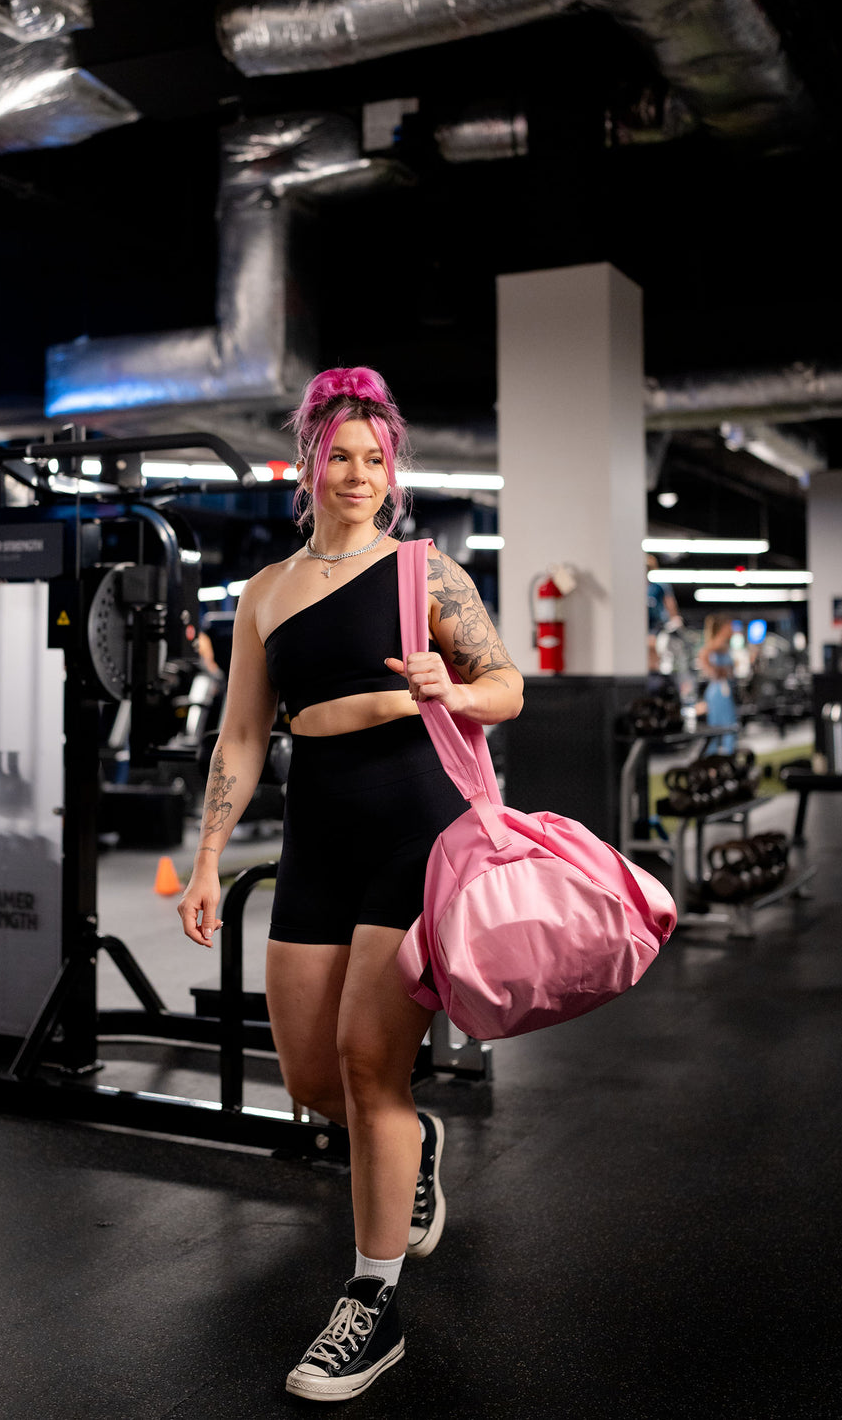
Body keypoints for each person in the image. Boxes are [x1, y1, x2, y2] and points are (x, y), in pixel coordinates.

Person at [177, 366, 524, 1401]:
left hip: (412, 825)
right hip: (316, 833)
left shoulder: (428, 572)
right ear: (310, 462)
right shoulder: (267, 591)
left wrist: (451, 686)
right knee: (310, 1080)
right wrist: (204, 857)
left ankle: (370, 1302)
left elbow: (505, 687)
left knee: (369, 1069)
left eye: (377, 459)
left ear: (392, 469)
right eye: (342, 456)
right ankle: (414, 1142)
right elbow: (242, 733)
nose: (360, 475)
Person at [698, 612, 737, 753]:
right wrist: (713, 670)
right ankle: (722, 761)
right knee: (726, 728)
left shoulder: (723, 644)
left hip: (721, 689)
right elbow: (703, 654)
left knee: (720, 729)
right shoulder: (718, 644)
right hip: (719, 690)